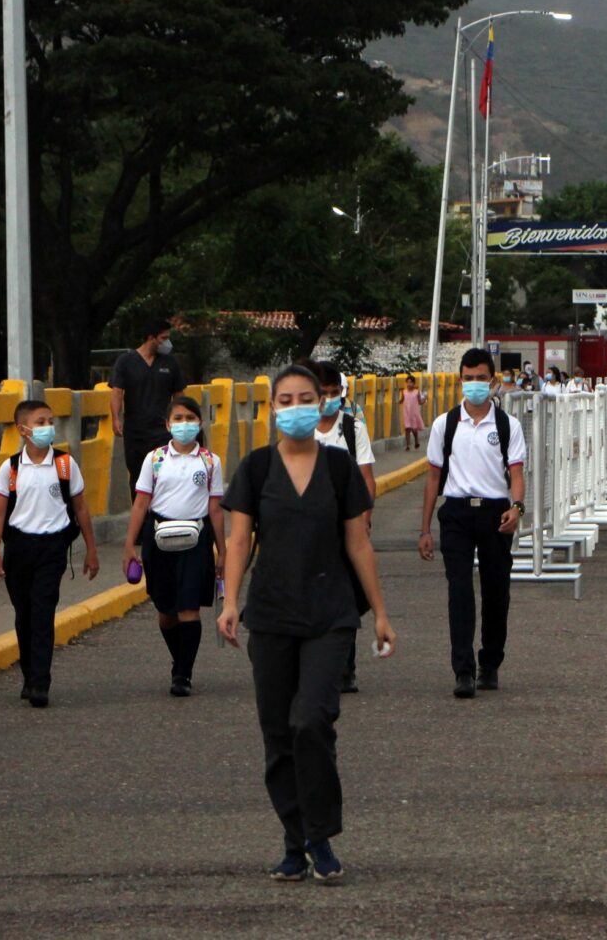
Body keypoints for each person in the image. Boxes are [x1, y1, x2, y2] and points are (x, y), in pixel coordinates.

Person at [218, 364, 397, 884]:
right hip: (271, 616)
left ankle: (319, 835)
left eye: (306, 398)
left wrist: (380, 613)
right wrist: (230, 602)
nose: (296, 406)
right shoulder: (254, 469)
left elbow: (358, 543)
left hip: (330, 616)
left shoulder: (339, 468)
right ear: (272, 408)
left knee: (311, 721)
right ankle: (294, 842)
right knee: (278, 734)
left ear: (323, 403)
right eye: (286, 399)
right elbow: (237, 542)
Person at [418, 347, 526, 699]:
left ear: (493, 381)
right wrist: (424, 530)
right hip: (457, 515)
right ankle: (463, 671)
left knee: (496, 591)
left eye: (481, 379)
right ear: (460, 380)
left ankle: (490, 663)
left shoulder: (508, 426)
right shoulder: (444, 425)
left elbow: (517, 473)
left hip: (495, 514)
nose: (475, 385)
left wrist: (517, 508)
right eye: (469, 379)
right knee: (459, 590)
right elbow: (433, 479)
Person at [0, 399, 100, 708]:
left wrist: (91, 550)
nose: (47, 427)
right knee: (24, 615)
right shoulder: (9, 468)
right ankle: (29, 675)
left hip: (53, 548)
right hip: (19, 547)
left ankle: (40, 682)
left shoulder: (65, 465)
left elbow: (81, 508)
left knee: (43, 611)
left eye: (49, 421)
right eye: (40, 422)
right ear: (23, 429)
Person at [121, 396, 225, 697]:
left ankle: (183, 674)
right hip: (159, 539)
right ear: (167, 425)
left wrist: (223, 553)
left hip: (196, 540)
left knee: (189, 608)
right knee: (166, 611)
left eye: (190, 418)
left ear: (201, 423)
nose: (184, 425)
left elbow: (215, 509)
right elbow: (141, 503)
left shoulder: (209, 461)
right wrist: (130, 545)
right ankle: (178, 659)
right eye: (177, 419)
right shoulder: (154, 459)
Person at [312, 360, 377, 695]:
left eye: (334, 393)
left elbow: (366, 476)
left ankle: (346, 666)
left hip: (346, 527)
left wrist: (364, 520)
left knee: (345, 598)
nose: (329, 399)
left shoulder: (353, 429)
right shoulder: (300, 430)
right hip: (309, 531)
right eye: (322, 394)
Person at [110, 320, 188, 497]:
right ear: (151, 338)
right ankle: (141, 518)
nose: (168, 343)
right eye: (164, 338)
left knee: (164, 474)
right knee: (138, 477)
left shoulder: (170, 363)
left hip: (162, 431)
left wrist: (180, 418)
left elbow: (179, 394)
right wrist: (116, 418)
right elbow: (117, 392)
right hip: (135, 432)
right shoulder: (126, 361)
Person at [399, 373, 426, 451]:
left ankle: (416, 440)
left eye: (411, 382)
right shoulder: (404, 392)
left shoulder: (416, 392)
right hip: (406, 413)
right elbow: (401, 400)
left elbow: (420, 402)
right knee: (407, 428)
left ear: (414, 383)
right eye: (407, 382)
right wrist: (397, 402)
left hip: (414, 413)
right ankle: (407, 445)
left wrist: (424, 400)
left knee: (414, 429)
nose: (409, 384)